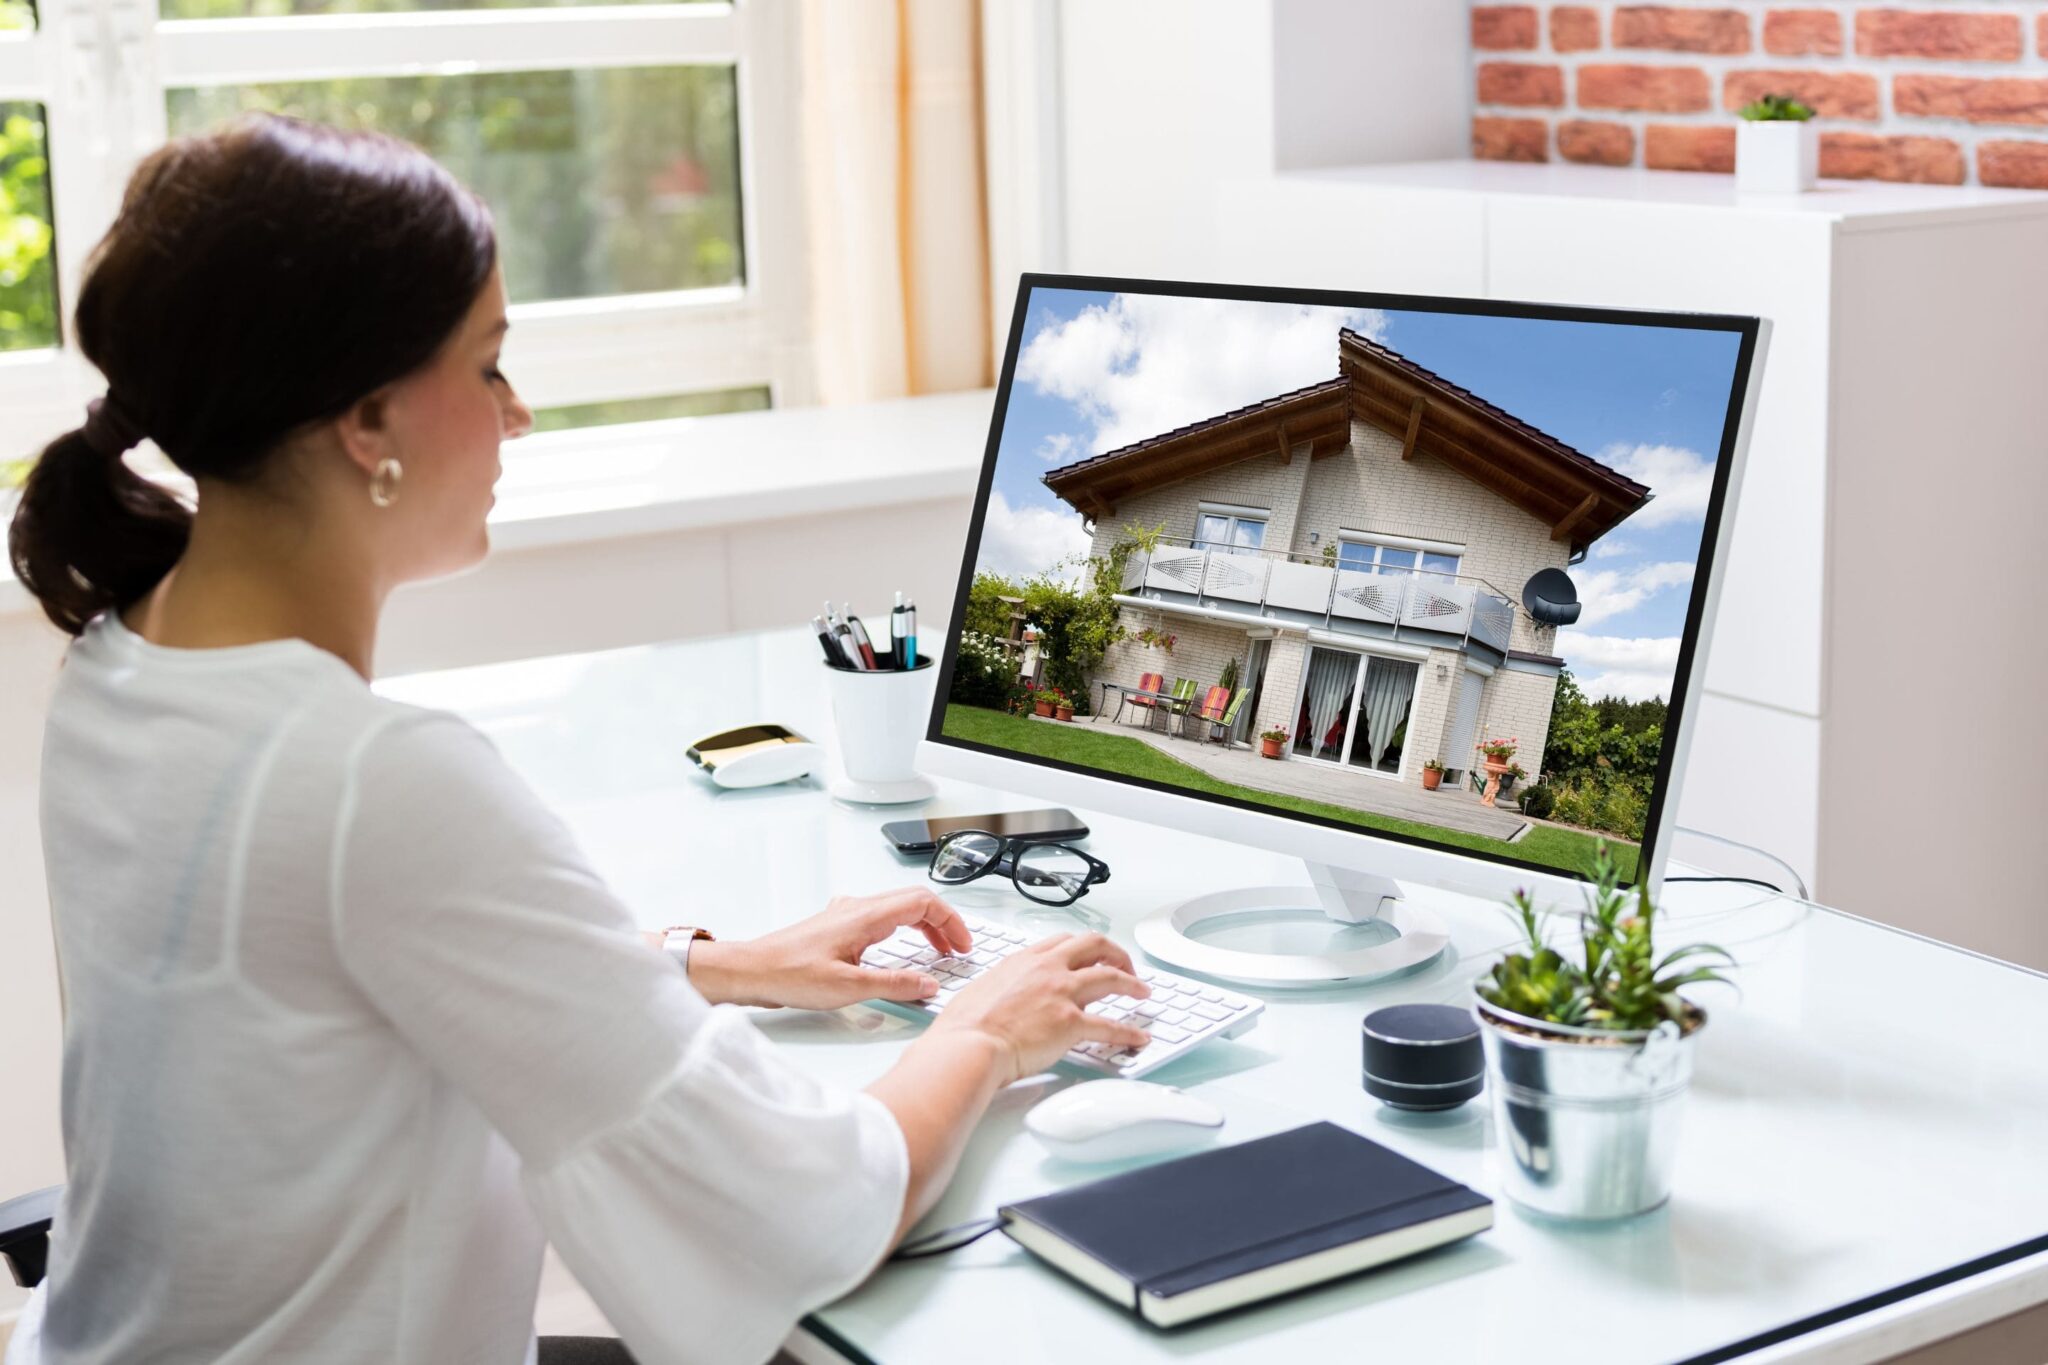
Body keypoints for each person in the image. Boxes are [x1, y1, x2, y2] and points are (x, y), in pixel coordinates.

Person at [2, 113, 1153, 1365]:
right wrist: (986, 1030)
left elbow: (316, 987)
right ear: (369, 421)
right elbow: (799, 1208)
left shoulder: (121, 662)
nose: (519, 415)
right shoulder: (371, 782)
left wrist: (706, 964)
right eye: (488, 366)